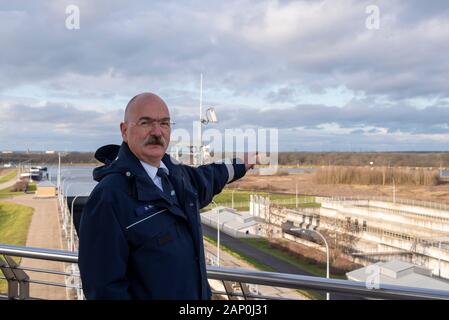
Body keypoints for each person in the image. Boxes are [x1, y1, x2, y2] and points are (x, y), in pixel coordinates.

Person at [78, 92, 255, 299]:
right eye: (146, 122)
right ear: (124, 131)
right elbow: (104, 290)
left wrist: (242, 163)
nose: (157, 132)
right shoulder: (109, 197)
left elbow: (210, 177)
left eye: (164, 123)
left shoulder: (176, 175)